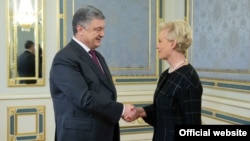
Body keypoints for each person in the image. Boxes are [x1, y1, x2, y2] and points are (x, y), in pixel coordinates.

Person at [49, 5, 137, 141]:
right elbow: (85, 98)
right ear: (80, 29)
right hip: (80, 136)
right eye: (98, 29)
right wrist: (121, 110)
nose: (103, 34)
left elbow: (105, 94)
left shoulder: (97, 56)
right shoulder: (65, 58)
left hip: (103, 132)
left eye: (103, 29)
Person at [136, 20, 203, 141]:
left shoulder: (188, 79)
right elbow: (163, 111)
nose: (157, 46)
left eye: (160, 41)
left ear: (172, 44)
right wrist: (140, 112)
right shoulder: (166, 75)